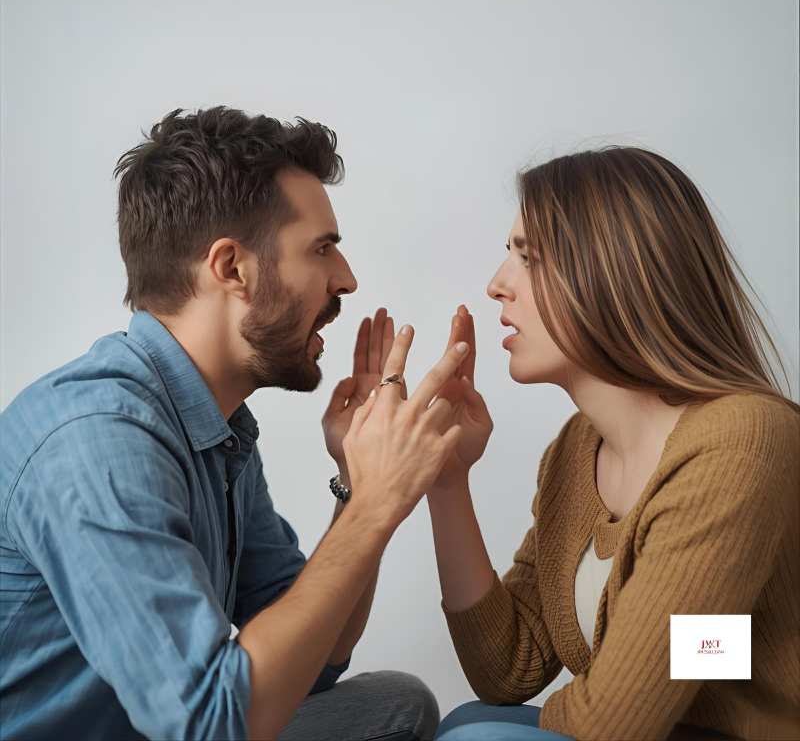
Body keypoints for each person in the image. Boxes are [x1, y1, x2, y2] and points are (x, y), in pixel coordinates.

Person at [0, 106, 466, 741]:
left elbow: (317, 662)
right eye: (322, 248)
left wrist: (359, 482)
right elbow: (207, 723)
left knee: (395, 705)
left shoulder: (220, 429)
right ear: (231, 268)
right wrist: (376, 505)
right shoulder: (98, 439)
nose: (347, 278)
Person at [422, 147, 800, 741]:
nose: (497, 285)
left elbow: (613, 722)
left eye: (529, 257)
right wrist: (446, 481)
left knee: (475, 734)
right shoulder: (574, 451)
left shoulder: (742, 441)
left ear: (612, 273)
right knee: (472, 721)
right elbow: (510, 667)